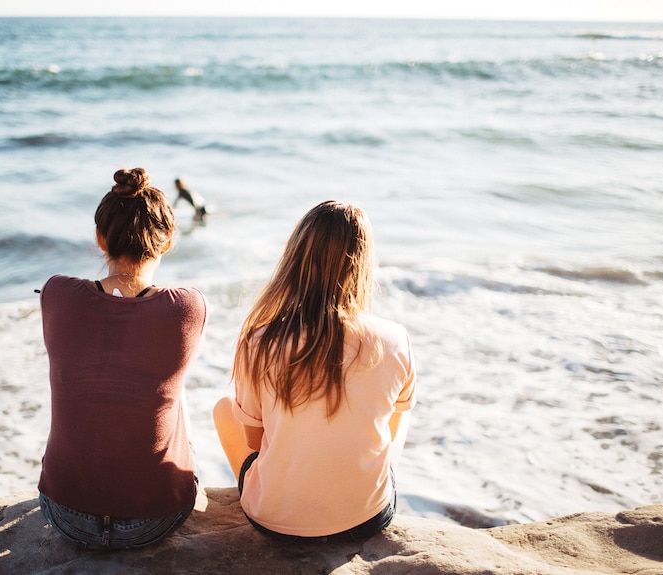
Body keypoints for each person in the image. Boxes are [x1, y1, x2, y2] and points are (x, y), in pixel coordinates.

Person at [213, 200, 416, 543]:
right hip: (367, 516)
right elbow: (390, 428)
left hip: (275, 522)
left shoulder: (259, 341)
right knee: (399, 413)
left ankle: (283, 496)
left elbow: (255, 441)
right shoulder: (395, 339)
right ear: (363, 264)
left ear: (294, 259)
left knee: (224, 408)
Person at [37, 166, 207, 550]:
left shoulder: (57, 292)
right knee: (172, 392)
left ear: (101, 238)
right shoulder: (188, 307)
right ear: (166, 243)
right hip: (156, 518)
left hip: (66, 514)